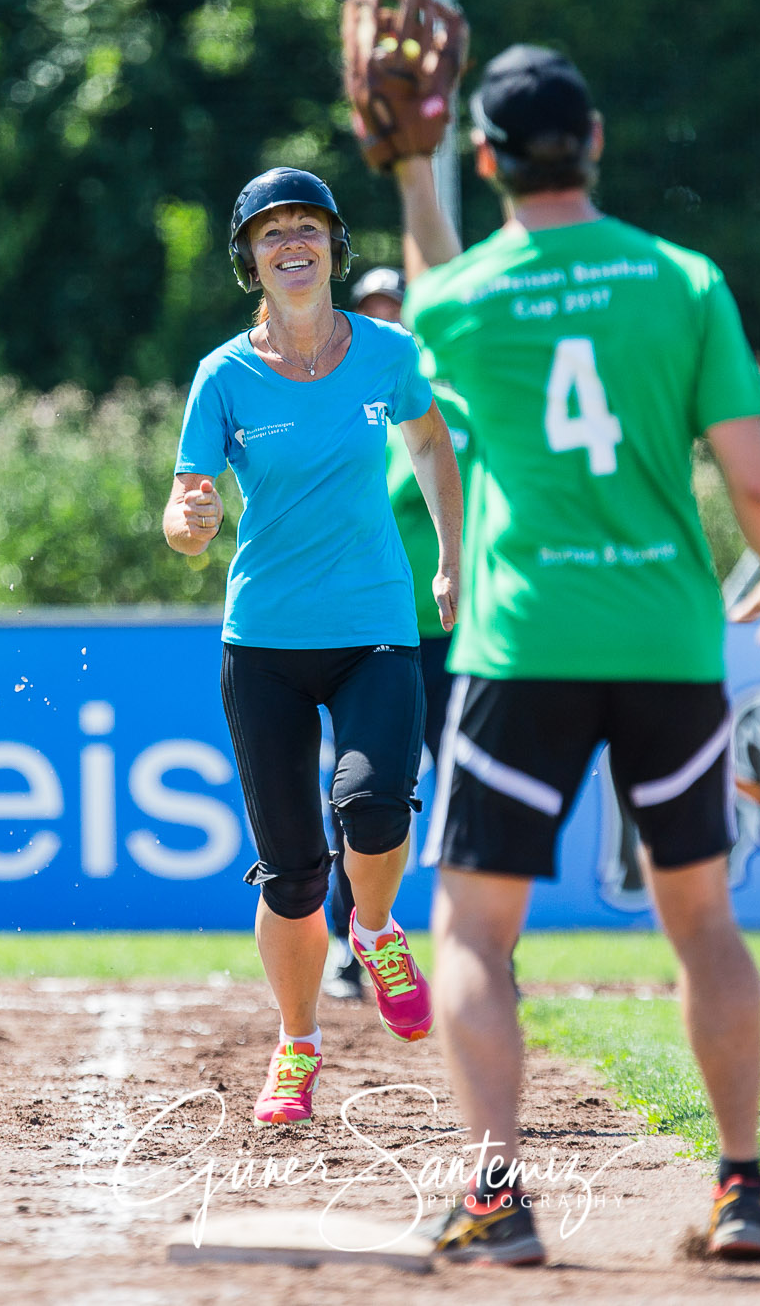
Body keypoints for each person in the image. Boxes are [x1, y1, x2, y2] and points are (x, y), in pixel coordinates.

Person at [394, 47, 760, 1264]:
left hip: (524, 643)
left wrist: (411, 175)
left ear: (488, 159)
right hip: (667, 640)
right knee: (700, 920)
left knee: (471, 932)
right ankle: (739, 1190)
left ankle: (496, 1198)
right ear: (597, 142)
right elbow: (751, 479)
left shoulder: (460, 301)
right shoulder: (680, 280)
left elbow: (438, 301)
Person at [161, 167, 465, 1125]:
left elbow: (431, 448)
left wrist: (453, 561)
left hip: (377, 625)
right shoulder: (223, 375)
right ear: (249, 260)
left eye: (307, 228)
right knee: (292, 871)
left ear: (335, 247)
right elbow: (184, 509)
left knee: (374, 807)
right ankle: (296, 1046)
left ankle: (374, 929)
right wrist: (192, 520)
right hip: (264, 642)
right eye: (270, 231)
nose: (290, 243)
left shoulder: (386, 352)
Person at [322, 266, 472, 1003]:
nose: (390, 320)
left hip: (463, 637)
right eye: (377, 310)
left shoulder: (458, 405)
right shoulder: (366, 413)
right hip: (383, 633)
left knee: (475, 795)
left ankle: (481, 948)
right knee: (363, 798)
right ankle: (348, 946)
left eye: (398, 308)